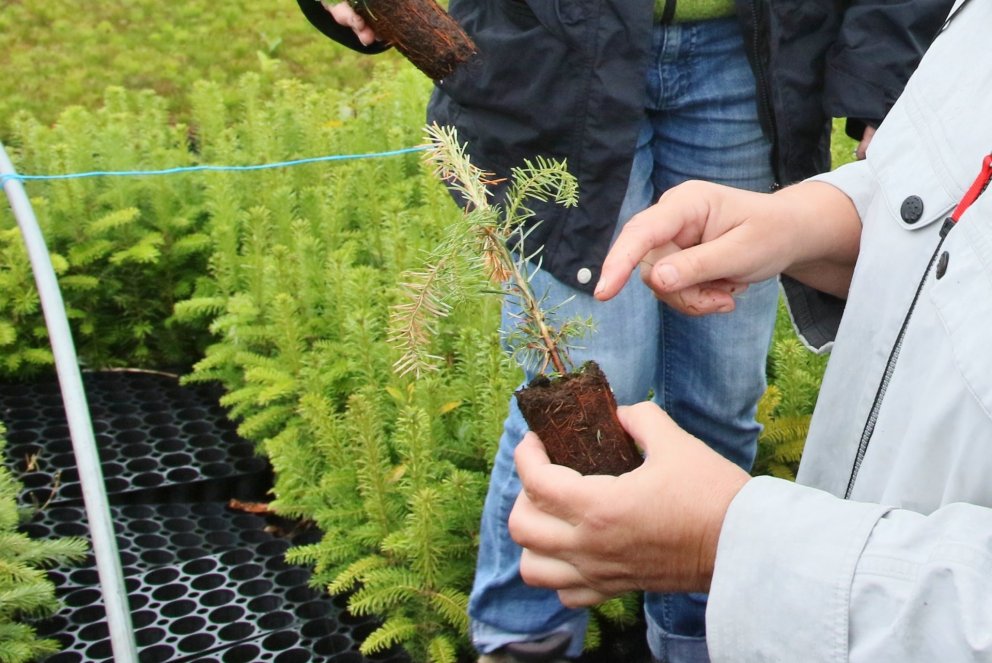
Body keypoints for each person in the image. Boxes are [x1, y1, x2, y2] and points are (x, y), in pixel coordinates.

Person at [298, 1, 954, 662]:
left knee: (721, 396)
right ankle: (524, 637)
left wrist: (883, 72)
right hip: (553, 51)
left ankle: (698, 634)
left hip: (752, 53)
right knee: (586, 400)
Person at [509, 1, 992, 660]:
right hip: (833, 591)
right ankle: (521, 634)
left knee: (719, 395)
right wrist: (811, 222)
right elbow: (963, 194)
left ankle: (683, 635)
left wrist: (731, 542)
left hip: (841, 606)